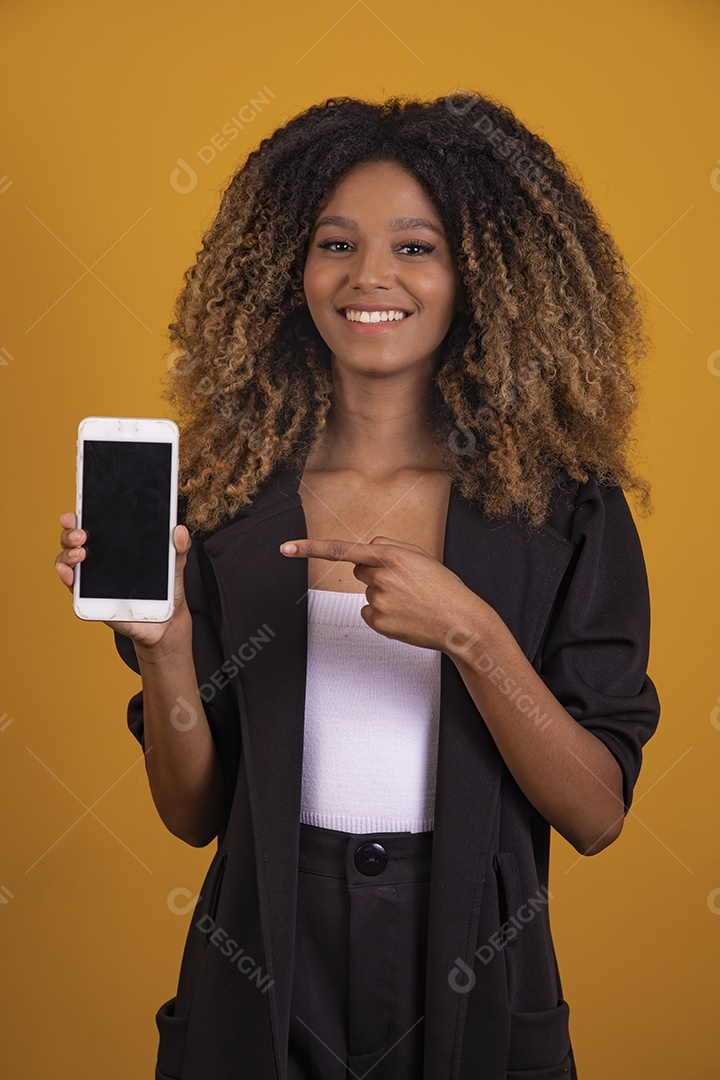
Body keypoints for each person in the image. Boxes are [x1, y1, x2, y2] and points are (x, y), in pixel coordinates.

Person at [55, 92, 661, 1080]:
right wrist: (164, 647)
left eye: (416, 247)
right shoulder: (224, 499)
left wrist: (470, 632)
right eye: (335, 243)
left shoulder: (562, 512)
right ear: (288, 269)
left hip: (470, 974)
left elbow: (597, 815)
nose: (369, 276)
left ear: (484, 271)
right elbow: (193, 811)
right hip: (262, 977)